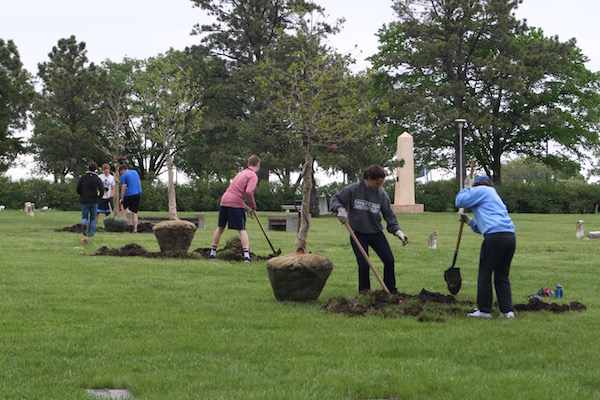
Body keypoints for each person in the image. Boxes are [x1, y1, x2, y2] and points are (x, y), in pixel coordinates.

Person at [330, 164, 409, 294]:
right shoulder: (354, 189)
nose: (380, 186)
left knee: (389, 260)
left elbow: (389, 215)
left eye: (382, 183)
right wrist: (340, 209)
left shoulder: (382, 194)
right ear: (369, 179)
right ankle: (365, 292)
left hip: (376, 233)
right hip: (358, 234)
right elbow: (336, 199)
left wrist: (399, 232)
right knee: (364, 265)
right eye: (378, 183)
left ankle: (391, 291)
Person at [456, 175, 516, 319]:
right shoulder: (494, 195)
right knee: (502, 276)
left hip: (494, 238)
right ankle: (507, 311)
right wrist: (469, 222)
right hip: (509, 237)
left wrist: (466, 188)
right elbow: (483, 226)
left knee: (485, 274)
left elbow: (459, 201)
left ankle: (484, 310)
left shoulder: (481, 190)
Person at [210, 155, 260, 263]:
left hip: (224, 200)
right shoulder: (253, 176)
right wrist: (253, 207)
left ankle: (212, 253)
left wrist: (247, 209)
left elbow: (235, 195)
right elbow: (249, 192)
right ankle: (246, 256)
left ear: (248, 164)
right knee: (242, 229)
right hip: (235, 203)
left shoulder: (240, 174)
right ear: (258, 165)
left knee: (220, 227)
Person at [76, 162, 104, 237]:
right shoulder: (97, 179)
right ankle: (91, 233)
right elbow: (102, 189)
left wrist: (81, 194)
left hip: (84, 199)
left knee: (84, 216)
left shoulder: (83, 177)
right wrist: (99, 197)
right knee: (93, 218)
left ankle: (84, 224)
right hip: (94, 200)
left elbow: (78, 188)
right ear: (95, 169)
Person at [118, 164, 142, 233]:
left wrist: (122, 198)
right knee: (134, 212)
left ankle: (125, 225)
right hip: (137, 194)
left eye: (121, 172)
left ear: (122, 170)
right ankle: (135, 229)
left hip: (129, 194)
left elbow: (123, 188)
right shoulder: (135, 172)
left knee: (123, 208)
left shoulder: (124, 176)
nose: (121, 173)